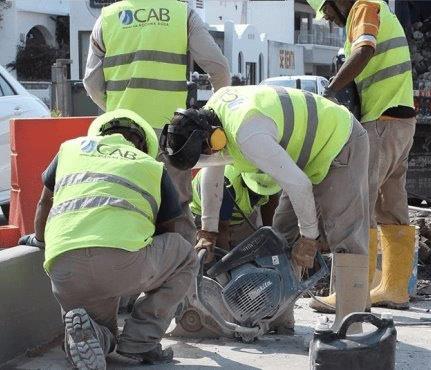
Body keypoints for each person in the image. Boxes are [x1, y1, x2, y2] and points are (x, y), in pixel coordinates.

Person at [160, 85, 370, 334]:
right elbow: (213, 171)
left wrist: (309, 239)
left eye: (205, 152)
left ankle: (351, 327)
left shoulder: (248, 134)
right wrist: (208, 230)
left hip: (339, 141)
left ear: (213, 138)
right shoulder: (212, 117)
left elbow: (299, 185)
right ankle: (279, 319)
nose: (208, 156)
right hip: (304, 160)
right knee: (279, 237)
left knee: (345, 235)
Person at [18, 110, 197, 370]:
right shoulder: (151, 167)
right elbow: (170, 231)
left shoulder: (69, 150)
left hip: (64, 268)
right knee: (185, 255)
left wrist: (40, 239)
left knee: (100, 332)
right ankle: (140, 342)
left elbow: (45, 201)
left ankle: (92, 336)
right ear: (143, 144)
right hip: (121, 265)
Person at [83, 0, 231, 244]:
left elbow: (91, 82)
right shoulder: (182, 14)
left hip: (120, 136)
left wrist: (115, 110)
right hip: (171, 137)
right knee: (175, 210)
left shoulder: (108, 17)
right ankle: (181, 275)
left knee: (123, 208)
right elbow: (219, 68)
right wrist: (212, 116)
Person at [307, 0, 417, 311]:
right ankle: (394, 289)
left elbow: (365, 49)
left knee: (359, 205)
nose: (329, 20)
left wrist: (330, 89)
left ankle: (352, 295)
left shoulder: (363, 7)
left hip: (380, 121)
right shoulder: (378, 6)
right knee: (391, 206)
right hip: (400, 120)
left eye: (328, 12)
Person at [190, 165, 280, 254]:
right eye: (257, 191)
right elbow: (221, 228)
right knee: (210, 258)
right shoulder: (226, 185)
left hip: (240, 216)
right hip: (206, 218)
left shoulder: (269, 175)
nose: (260, 195)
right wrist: (226, 264)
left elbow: (270, 202)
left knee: (251, 255)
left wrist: (269, 238)